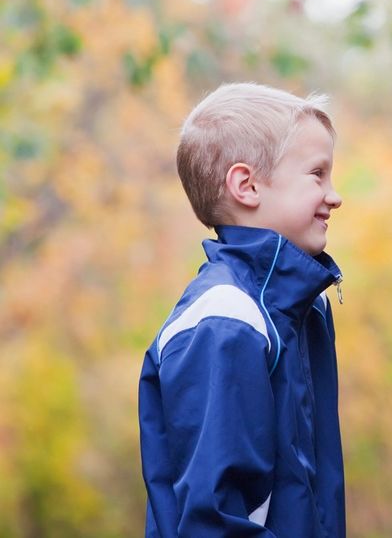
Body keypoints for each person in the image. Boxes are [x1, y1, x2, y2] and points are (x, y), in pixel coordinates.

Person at [139, 83, 347, 537]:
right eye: (317, 174)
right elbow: (214, 521)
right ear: (246, 185)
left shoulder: (303, 308)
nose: (334, 196)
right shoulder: (226, 321)